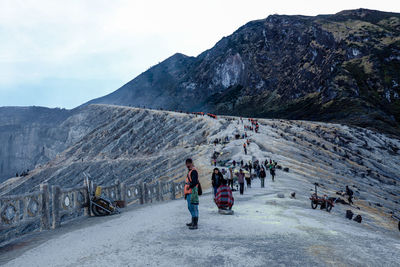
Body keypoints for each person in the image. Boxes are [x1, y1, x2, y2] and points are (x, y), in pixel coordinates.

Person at [184, 158, 199, 230]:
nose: (187, 165)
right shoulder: (190, 171)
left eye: (188, 163)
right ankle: (193, 221)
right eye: (186, 164)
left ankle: (195, 223)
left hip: (192, 191)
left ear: (190, 163)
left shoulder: (193, 171)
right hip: (189, 192)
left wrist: (189, 186)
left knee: (193, 207)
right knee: (190, 207)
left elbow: (195, 182)